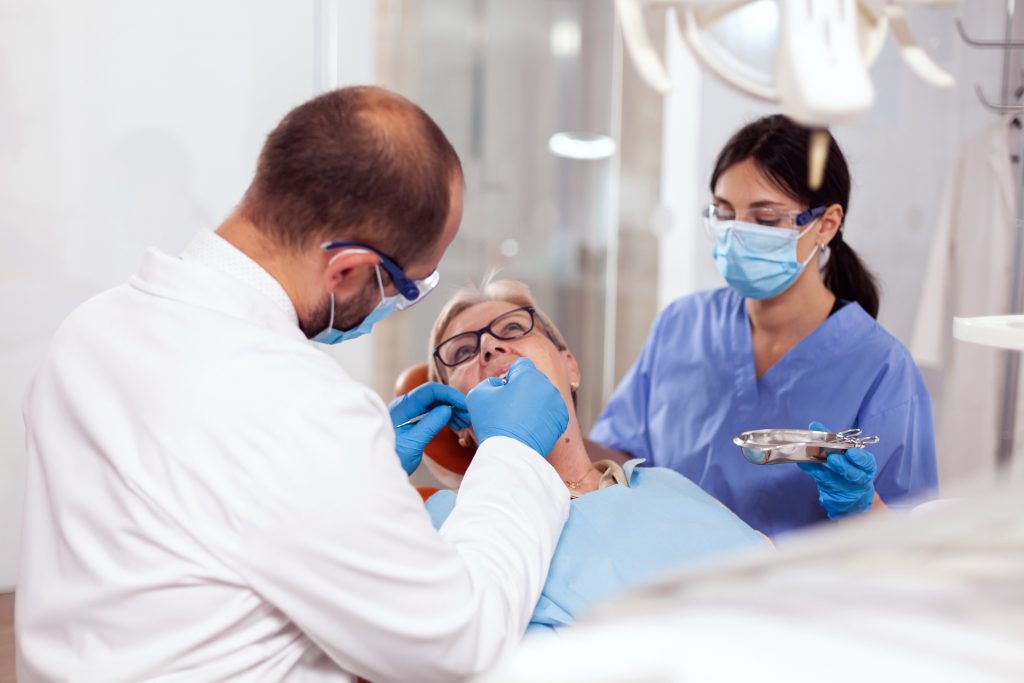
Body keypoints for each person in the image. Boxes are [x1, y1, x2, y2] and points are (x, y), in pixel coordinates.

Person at [17, 86, 574, 683]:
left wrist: (360, 474)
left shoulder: (88, 329)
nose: (398, 306)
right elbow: (461, 648)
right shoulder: (298, 408)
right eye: (406, 288)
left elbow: (189, 513)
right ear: (348, 268)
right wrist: (512, 453)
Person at [590, 115, 938, 537]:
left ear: (825, 224)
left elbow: (913, 546)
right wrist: (549, 430)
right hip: (671, 583)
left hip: (793, 597)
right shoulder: (681, 326)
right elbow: (619, 456)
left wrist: (861, 506)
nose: (737, 236)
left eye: (766, 219)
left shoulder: (881, 368)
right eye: (724, 214)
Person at [423, 279, 771, 634]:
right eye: (462, 352)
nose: (490, 347)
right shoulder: (446, 524)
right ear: (459, 422)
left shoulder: (666, 485)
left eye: (512, 328)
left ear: (570, 367)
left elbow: (781, 584)